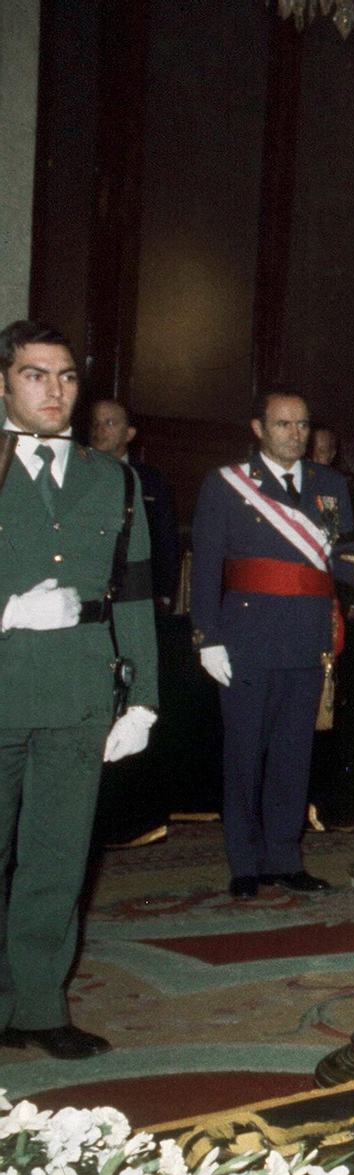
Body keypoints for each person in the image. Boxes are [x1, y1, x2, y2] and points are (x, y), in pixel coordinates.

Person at [0, 321, 159, 1058]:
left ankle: (38, 1005)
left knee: (58, 857)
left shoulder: (112, 477)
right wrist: (7, 613)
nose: (55, 391)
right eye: (36, 375)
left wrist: (145, 699)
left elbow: (132, 593)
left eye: (66, 376)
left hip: (79, 692)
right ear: (4, 382)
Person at [191, 388, 354, 899]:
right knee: (244, 751)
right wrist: (207, 638)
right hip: (246, 635)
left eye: (303, 425)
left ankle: (284, 855)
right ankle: (244, 861)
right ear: (258, 428)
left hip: (308, 636)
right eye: (283, 424)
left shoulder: (329, 483)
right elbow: (207, 567)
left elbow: (333, 557)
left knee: (293, 752)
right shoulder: (228, 485)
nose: (295, 434)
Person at [89, 399, 180, 610]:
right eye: (95, 422)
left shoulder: (150, 481)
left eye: (109, 423)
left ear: (129, 434)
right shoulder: (73, 476)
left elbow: (165, 540)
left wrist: (164, 593)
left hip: (135, 591)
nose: (99, 430)